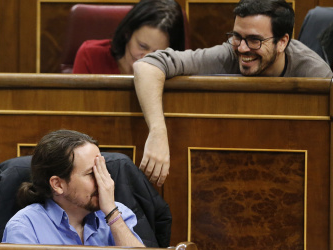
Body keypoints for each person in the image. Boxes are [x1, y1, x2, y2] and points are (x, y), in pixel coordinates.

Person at [132, 0, 333, 187]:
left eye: (254, 40)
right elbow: (147, 66)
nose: (243, 48)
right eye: (237, 37)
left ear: (282, 42)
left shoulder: (316, 74)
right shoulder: (230, 53)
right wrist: (158, 132)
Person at [2, 130, 144, 247]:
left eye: (102, 170)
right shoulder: (25, 227)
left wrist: (112, 214)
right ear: (58, 185)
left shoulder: (116, 213)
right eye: (91, 174)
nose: (103, 182)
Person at [72, 0, 184, 74]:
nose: (147, 58)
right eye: (142, 46)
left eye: (158, 53)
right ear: (127, 33)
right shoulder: (90, 56)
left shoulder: (175, 69)